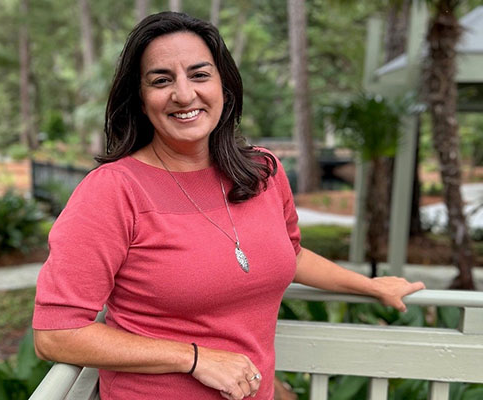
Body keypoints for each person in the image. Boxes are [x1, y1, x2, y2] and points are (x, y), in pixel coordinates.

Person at [32, 11, 425, 400]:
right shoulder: (112, 192)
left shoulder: (261, 173)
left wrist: (370, 285)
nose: (184, 94)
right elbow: (56, 333)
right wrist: (194, 358)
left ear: (225, 85)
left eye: (200, 74)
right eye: (161, 80)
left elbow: (291, 254)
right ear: (140, 97)